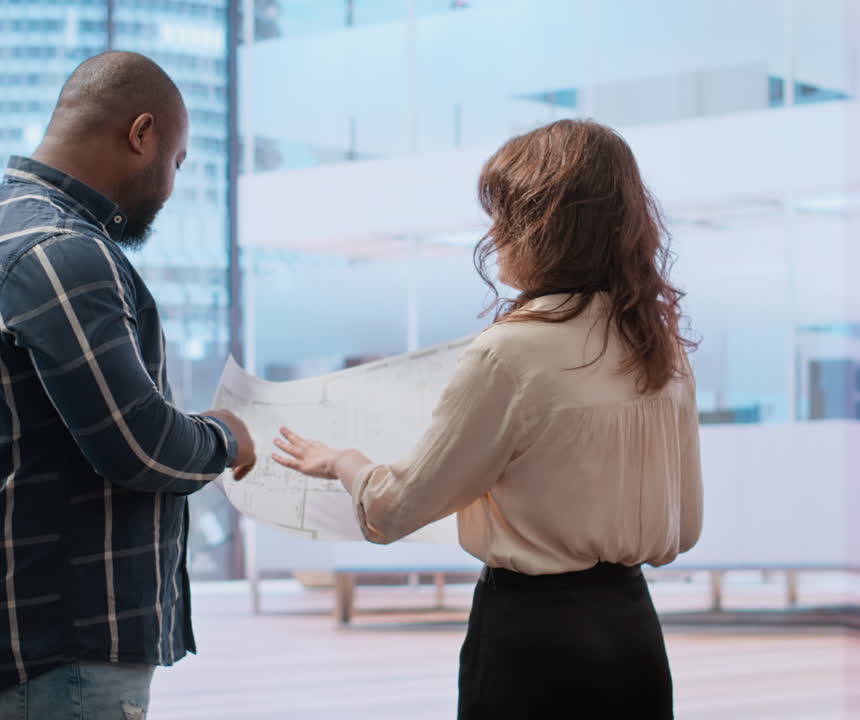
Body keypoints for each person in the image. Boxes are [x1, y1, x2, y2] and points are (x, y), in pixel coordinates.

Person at [272, 119, 703, 719]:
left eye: (506, 213)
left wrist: (344, 462)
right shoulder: (660, 347)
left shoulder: (513, 352)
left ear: (547, 227)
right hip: (633, 638)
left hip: (531, 643)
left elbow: (394, 510)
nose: (495, 233)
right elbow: (685, 527)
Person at [0, 51, 256, 719]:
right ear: (141, 133)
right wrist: (226, 438)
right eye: (177, 162)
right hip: (65, 638)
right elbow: (140, 445)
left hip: (9, 618)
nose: (171, 185)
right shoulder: (62, 250)